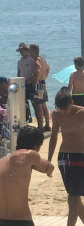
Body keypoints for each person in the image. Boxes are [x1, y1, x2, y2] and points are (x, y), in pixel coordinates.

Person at [0, 126, 54, 226]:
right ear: (36, 147)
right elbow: (49, 168)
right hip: (21, 221)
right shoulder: (31, 155)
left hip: (0, 220)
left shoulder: (2, 161)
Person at [48, 90, 84, 226]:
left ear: (72, 103)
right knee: (73, 196)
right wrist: (49, 160)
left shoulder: (82, 113)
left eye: (66, 109)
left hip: (81, 156)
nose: (65, 112)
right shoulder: (57, 114)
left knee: (73, 197)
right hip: (65, 158)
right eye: (61, 109)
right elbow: (53, 137)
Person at [30, 44, 51, 131]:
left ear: (34, 52)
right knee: (43, 104)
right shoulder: (42, 59)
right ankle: (47, 124)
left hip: (38, 84)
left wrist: (34, 83)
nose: (29, 53)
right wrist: (44, 77)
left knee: (38, 106)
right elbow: (48, 68)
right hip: (42, 82)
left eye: (30, 51)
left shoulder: (36, 61)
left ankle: (41, 126)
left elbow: (37, 71)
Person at [17, 42, 35, 122]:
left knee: (34, 102)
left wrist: (30, 80)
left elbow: (34, 72)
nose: (21, 52)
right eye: (20, 50)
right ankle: (28, 117)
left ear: (27, 50)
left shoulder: (31, 60)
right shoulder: (19, 61)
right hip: (22, 84)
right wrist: (18, 81)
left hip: (30, 83)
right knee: (24, 102)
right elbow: (19, 72)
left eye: (23, 50)